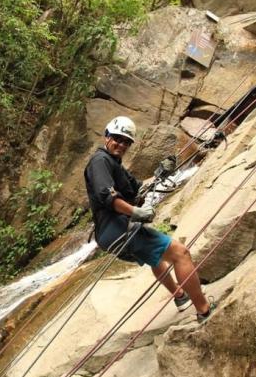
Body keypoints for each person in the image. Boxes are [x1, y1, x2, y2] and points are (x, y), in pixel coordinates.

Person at [84, 115, 215, 323]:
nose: (121, 144)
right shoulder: (100, 161)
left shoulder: (114, 164)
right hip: (119, 228)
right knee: (181, 254)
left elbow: (138, 188)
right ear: (106, 136)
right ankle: (205, 311)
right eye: (117, 138)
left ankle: (180, 297)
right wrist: (136, 213)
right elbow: (107, 196)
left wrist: (160, 173)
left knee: (156, 257)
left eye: (126, 141)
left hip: (110, 234)